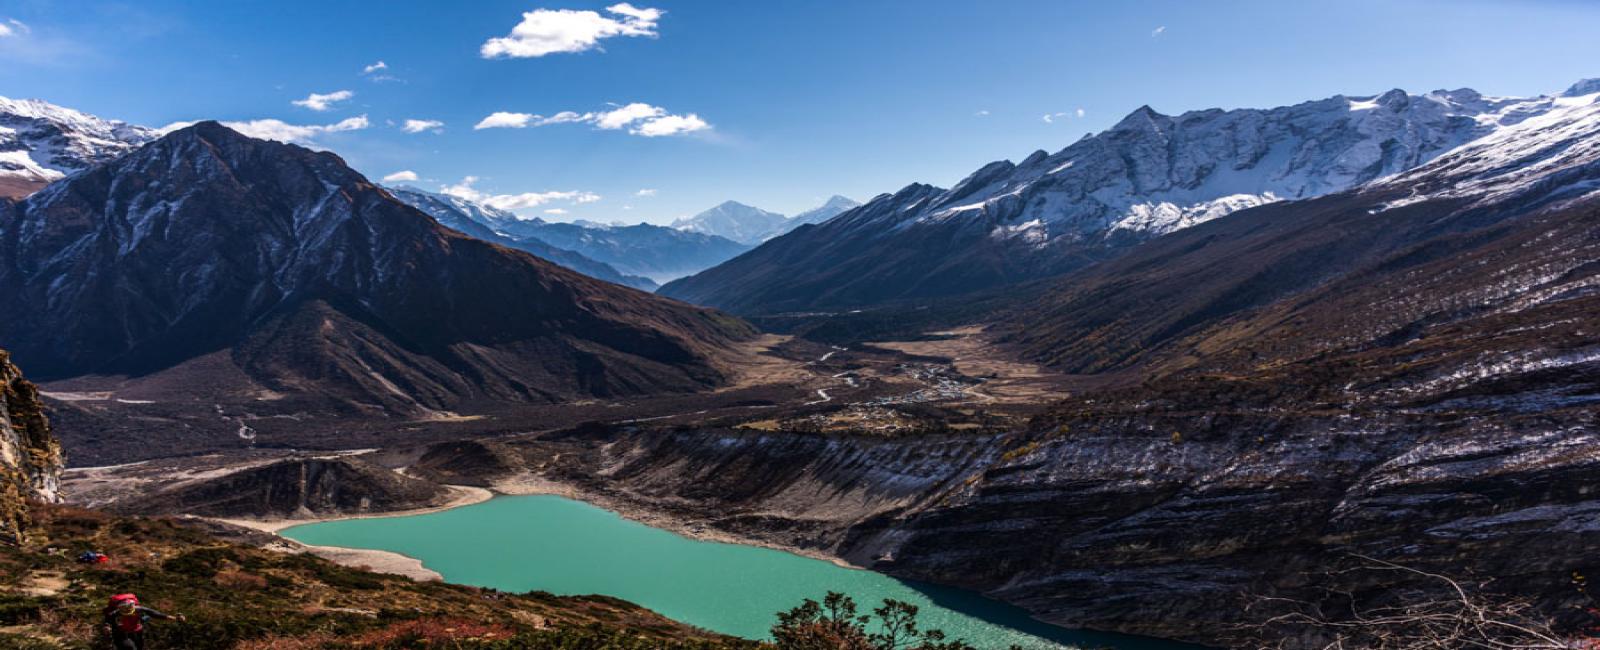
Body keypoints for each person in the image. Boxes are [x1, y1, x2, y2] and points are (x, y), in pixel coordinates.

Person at [102, 594, 185, 650]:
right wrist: (107, 627)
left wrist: (175, 618)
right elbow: (107, 621)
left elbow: (156, 614)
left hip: (137, 632)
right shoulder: (114, 613)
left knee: (139, 648)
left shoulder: (139, 609)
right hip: (122, 634)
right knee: (130, 648)